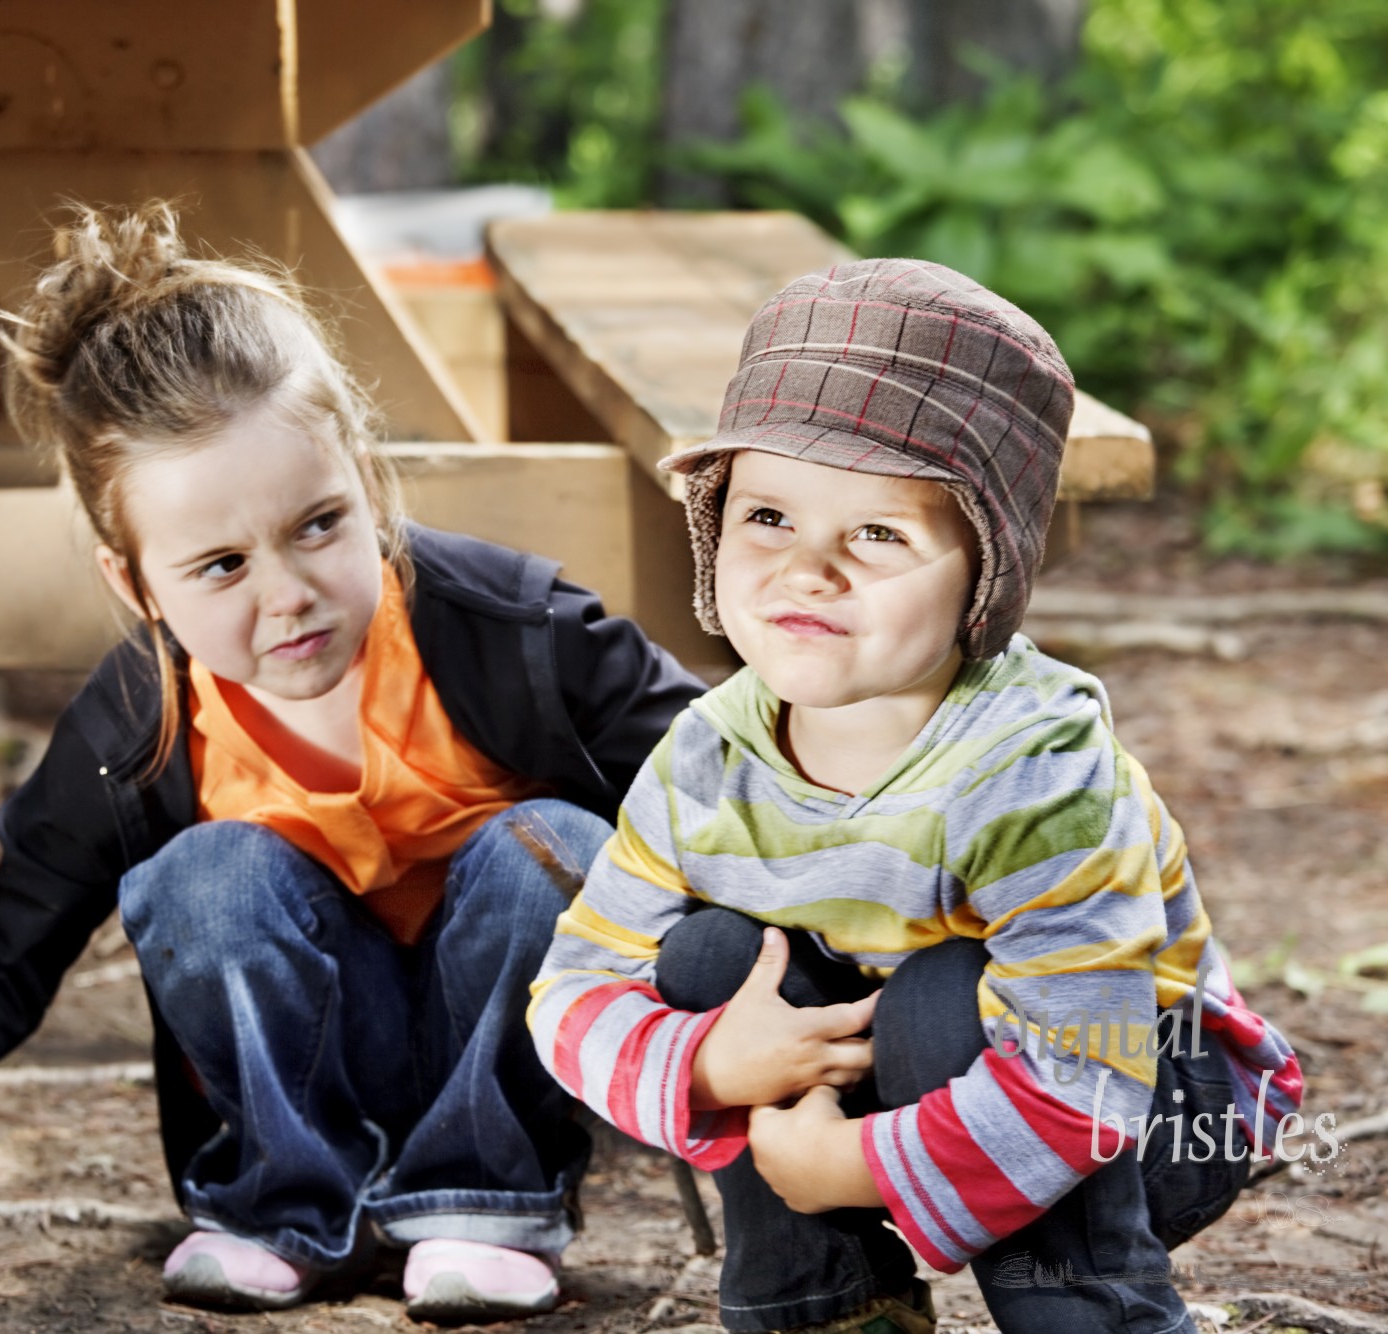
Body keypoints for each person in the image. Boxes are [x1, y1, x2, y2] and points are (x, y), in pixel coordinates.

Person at [0, 202, 705, 1320]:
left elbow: (731, 793)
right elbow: (1, 951)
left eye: (316, 524)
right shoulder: (136, 729)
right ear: (134, 581)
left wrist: (791, 1007)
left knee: (551, 846)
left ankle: (482, 1201)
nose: (286, 595)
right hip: (287, 1085)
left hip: (501, 1056)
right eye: (217, 565)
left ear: (364, 473)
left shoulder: (516, 632)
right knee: (204, 874)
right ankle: (286, 1205)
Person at [529, 259, 1305, 1334]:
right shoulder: (708, 755)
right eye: (766, 515)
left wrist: (850, 1159)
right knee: (707, 960)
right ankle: (830, 1305)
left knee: (948, 991)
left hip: (1137, 1114)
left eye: (876, 532)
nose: (805, 571)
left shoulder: (1033, 765)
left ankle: (1089, 1308)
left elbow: (1086, 1073)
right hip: (887, 1087)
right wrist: (709, 1059)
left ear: (983, 570)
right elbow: (569, 989)